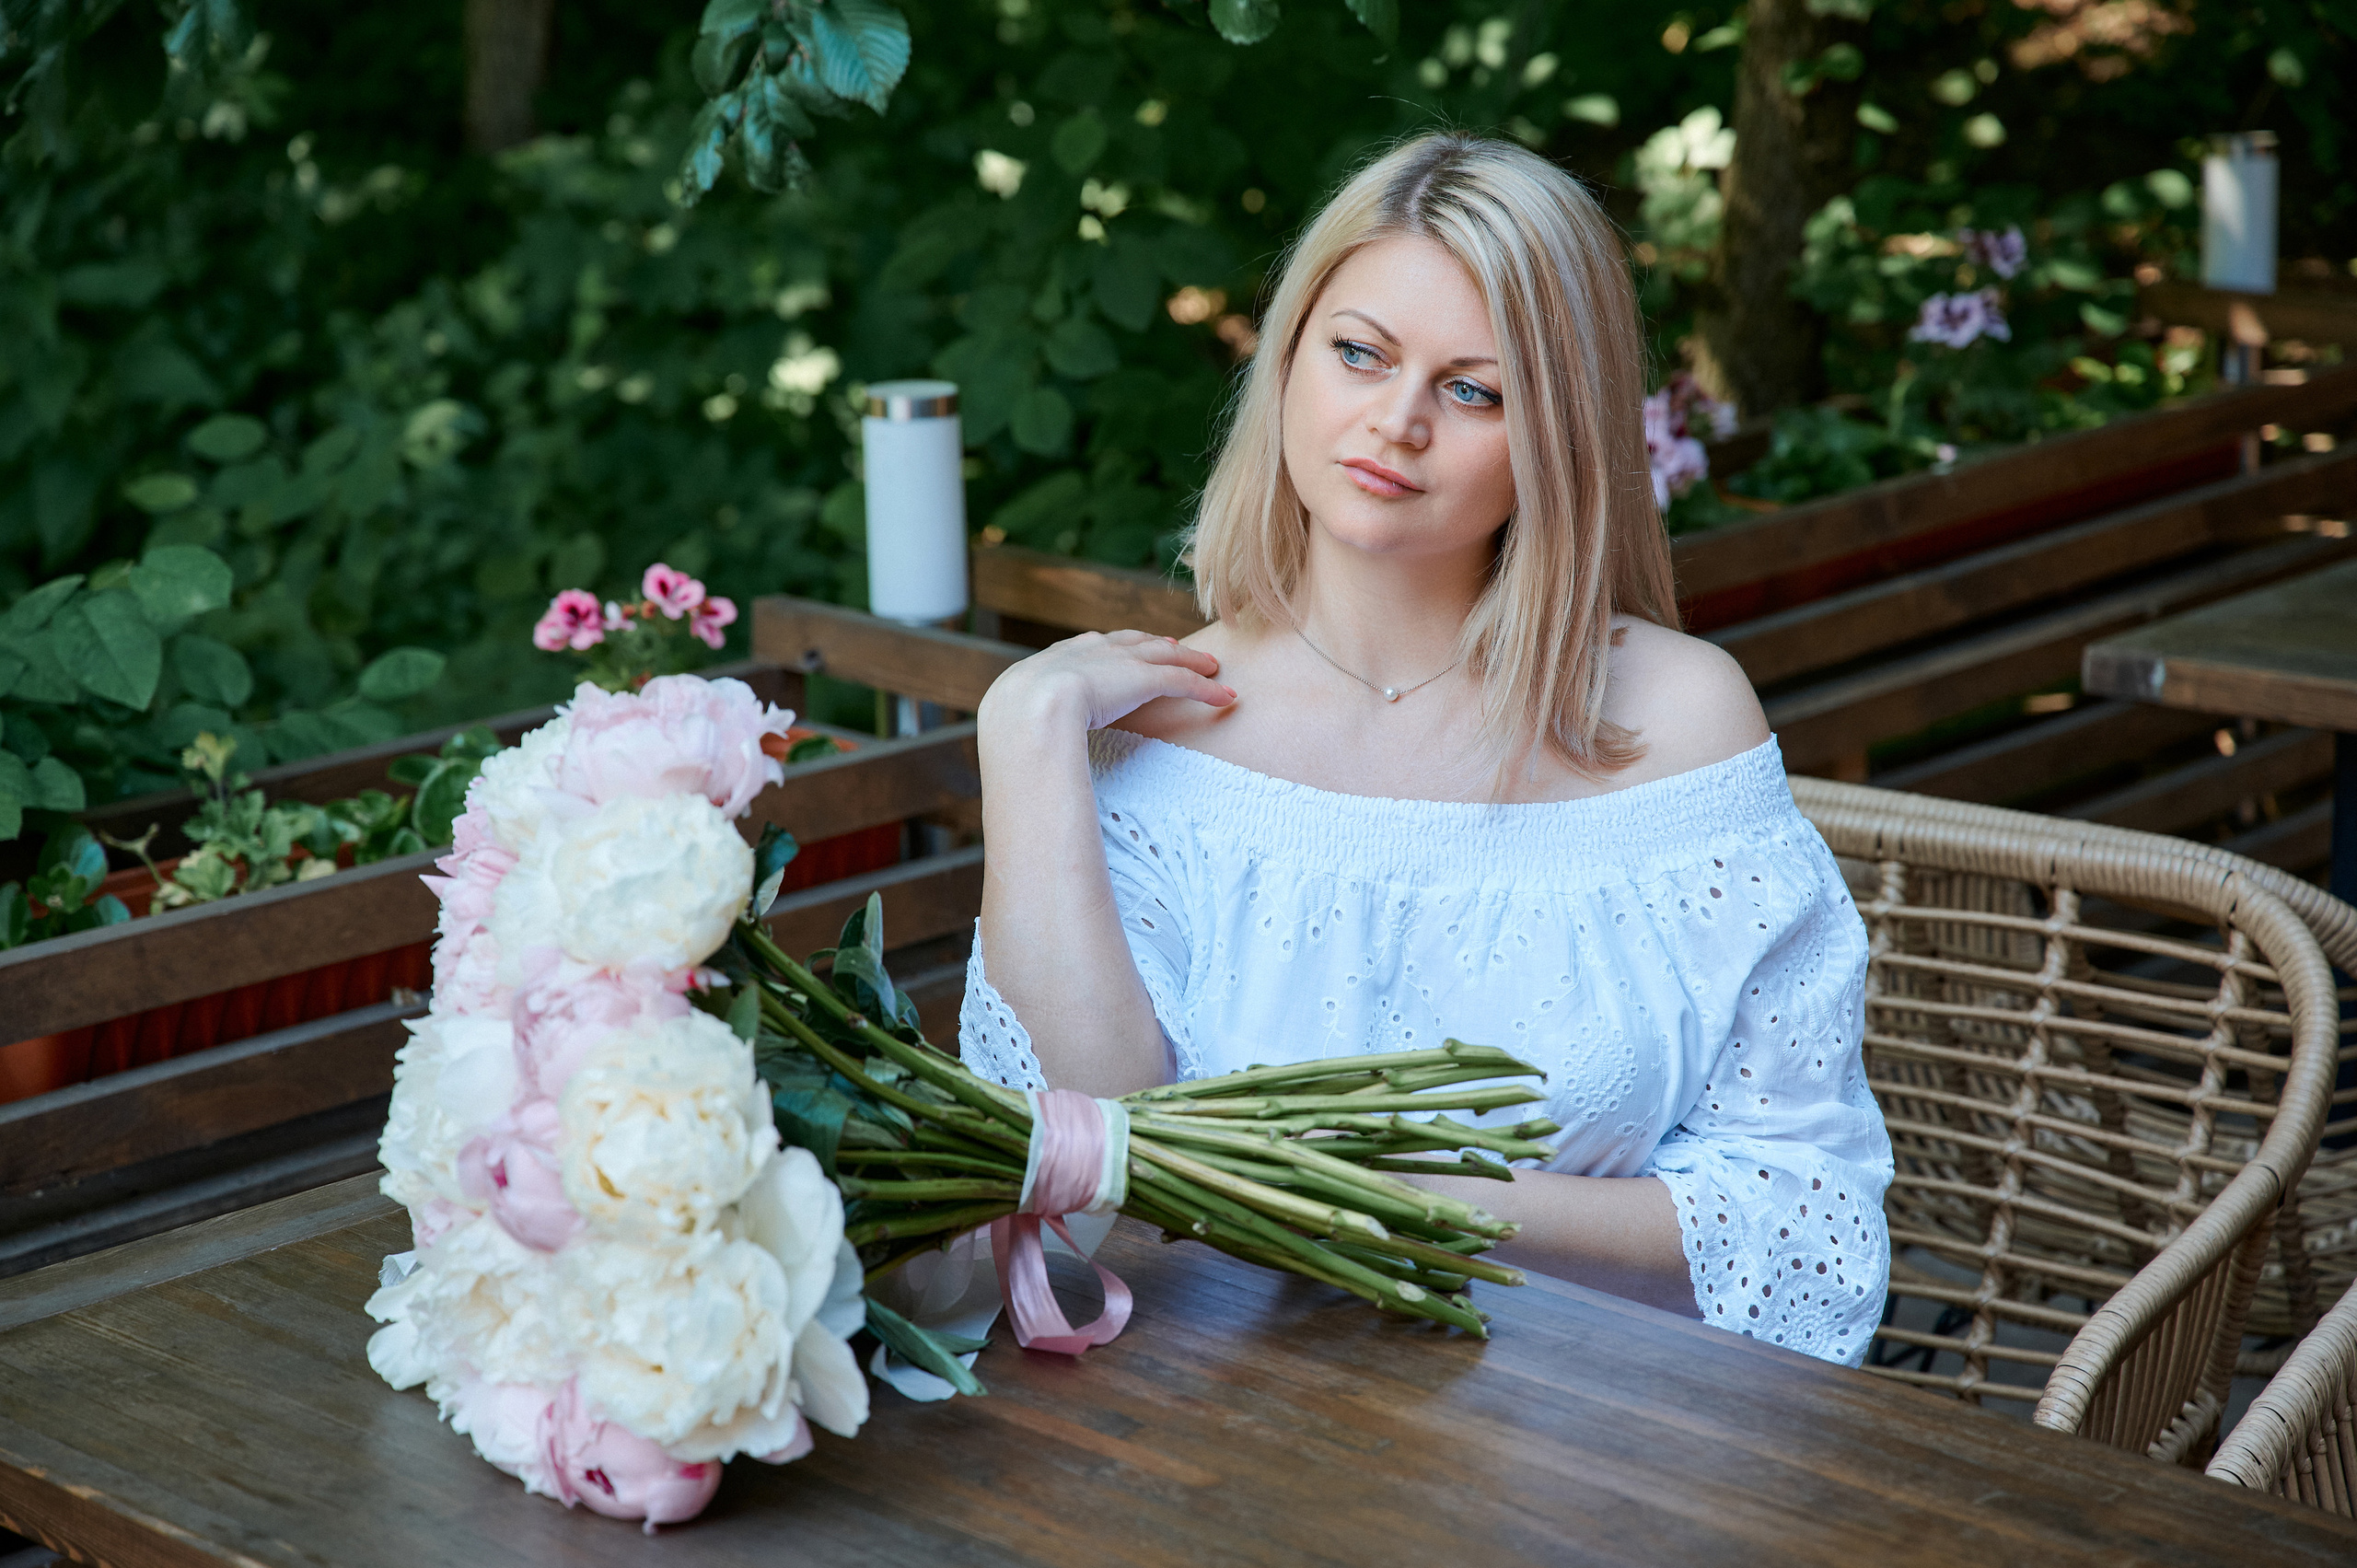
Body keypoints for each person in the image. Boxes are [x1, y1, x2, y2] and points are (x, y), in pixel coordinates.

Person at [959, 132, 1892, 1366]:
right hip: (1223, 1436)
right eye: (1360, 354)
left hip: (1615, 1446)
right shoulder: (1150, 730)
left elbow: (1799, 1207)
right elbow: (1079, 1173)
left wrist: (1416, 1208)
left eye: (1475, 390)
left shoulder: (1678, 719)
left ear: (1559, 432)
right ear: (1290, 360)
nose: (1395, 423)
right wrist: (1022, 737)